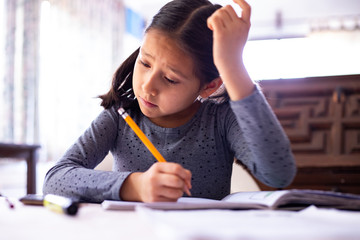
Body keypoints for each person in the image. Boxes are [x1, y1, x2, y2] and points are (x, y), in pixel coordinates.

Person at [43, 0, 296, 203]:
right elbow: (55, 179)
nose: (147, 86)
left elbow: (278, 173)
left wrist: (233, 66)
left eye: (171, 79)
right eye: (144, 63)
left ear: (209, 86)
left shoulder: (220, 120)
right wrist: (134, 186)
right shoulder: (120, 116)